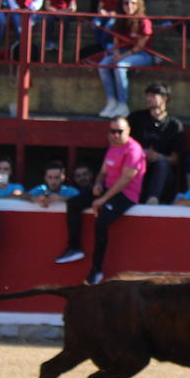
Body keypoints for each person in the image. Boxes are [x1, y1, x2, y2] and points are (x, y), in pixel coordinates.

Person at [54, 117, 144, 284]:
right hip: (107, 190)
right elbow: (103, 171)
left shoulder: (133, 150)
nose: (115, 135)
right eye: (112, 131)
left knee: (101, 222)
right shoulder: (113, 147)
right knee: (73, 203)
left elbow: (125, 180)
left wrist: (102, 199)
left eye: (119, 131)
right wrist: (97, 183)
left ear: (128, 131)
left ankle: (97, 270)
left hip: (125, 195)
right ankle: (74, 247)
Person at [97, 0, 154, 119]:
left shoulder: (144, 21)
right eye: (126, 3)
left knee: (120, 66)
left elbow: (140, 46)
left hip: (142, 55)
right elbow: (116, 40)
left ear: (138, 4)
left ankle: (123, 104)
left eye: (133, 3)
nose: (129, 6)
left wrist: (120, 57)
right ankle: (111, 101)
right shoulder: (120, 19)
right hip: (122, 52)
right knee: (103, 65)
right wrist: (116, 53)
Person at [127, 82, 185, 205]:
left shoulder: (174, 125)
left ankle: (153, 199)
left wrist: (158, 157)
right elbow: (123, 143)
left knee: (162, 164)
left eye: (153, 95)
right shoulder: (136, 118)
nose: (148, 99)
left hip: (161, 174)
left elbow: (175, 159)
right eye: (147, 95)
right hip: (135, 166)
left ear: (165, 98)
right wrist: (141, 155)